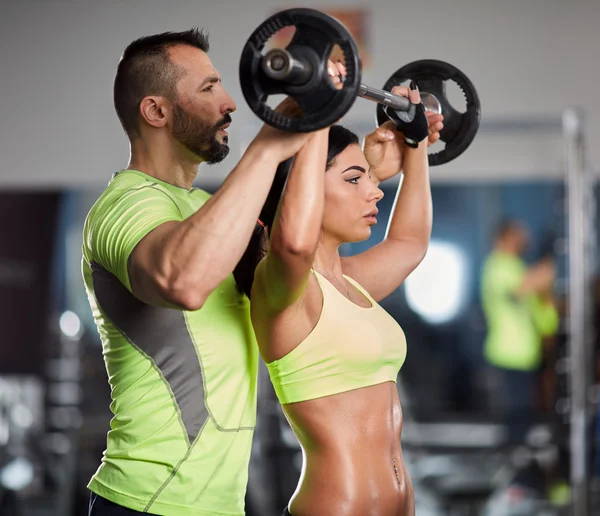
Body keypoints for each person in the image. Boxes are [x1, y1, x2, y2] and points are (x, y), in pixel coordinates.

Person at [81, 28, 340, 516]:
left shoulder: (206, 209)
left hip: (218, 504)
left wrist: (327, 122)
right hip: (148, 501)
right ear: (156, 111)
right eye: (208, 88)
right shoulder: (122, 207)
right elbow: (186, 281)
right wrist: (265, 149)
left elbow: (303, 274)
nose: (230, 103)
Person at [244, 84, 444, 515]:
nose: (375, 191)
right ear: (303, 190)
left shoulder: (351, 281)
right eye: (354, 179)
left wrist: (417, 143)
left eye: (371, 179)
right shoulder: (282, 288)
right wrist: (319, 111)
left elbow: (410, 242)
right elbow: (294, 246)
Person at [481, 219, 560, 445]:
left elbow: (545, 316)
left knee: (525, 414)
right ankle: (513, 464)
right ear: (503, 238)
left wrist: (546, 290)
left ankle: (521, 462)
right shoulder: (497, 265)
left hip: (527, 355)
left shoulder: (518, 267)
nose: (523, 240)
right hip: (508, 354)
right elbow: (517, 292)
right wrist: (541, 276)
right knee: (515, 414)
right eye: (517, 235)